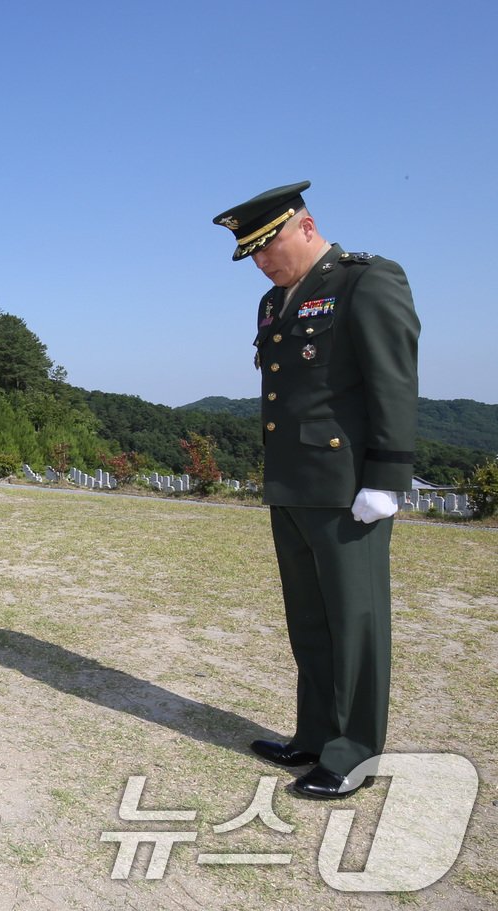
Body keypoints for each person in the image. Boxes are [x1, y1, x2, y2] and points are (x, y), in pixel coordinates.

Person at [213, 181, 420, 800]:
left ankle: (354, 753)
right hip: (294, 483)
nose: (261, 261)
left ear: (305, 226)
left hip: (349, 488)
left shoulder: (366, 280)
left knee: (354, 622)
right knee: (310, 620)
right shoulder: (274, 302)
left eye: (267, 245)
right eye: (251, 253)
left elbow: (394, 380)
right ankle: (315, 733)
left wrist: (386, 478)